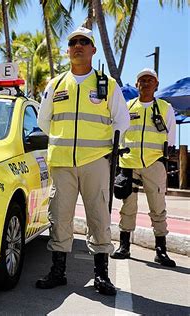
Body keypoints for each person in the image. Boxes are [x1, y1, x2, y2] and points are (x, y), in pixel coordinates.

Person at [36, 27, 130, 296]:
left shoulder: (106, 84)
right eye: (73, 42)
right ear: (68, 51)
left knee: (98, 216)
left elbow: (122, 121)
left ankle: (101, 275)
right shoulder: (55, 84)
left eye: (84, 42)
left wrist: (106, 153)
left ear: (93, 49)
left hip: (95, 161)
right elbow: (44, 122)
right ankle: (58, 271)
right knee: (59, 216)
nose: (78, 46)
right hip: (62, 163)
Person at [111, 68, 177, 267]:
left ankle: (160, 250)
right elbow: (119, 133)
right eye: (142, 80)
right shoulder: (128, 107)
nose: (146, 83)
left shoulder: (165, 108)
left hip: (153, 163)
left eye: (150, 80)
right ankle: (124, 246)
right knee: (127, 207)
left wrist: (162, 161)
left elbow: (170, 136)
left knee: (158, 207)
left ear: (156, 85)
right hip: (129, 164)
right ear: (137, 84)